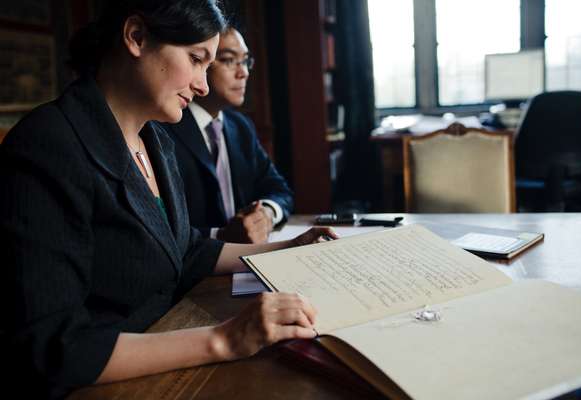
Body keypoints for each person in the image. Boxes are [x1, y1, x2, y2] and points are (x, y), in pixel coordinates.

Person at [0, 1, 335, 398]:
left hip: (167, 342)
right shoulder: (47, 144)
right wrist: (226, 339)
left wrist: (286, 249)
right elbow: (55, 346)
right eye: (196, 60)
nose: (203, 85)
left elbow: (184, 249)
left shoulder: (154, 138)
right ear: (137, 37)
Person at [162, 27, 292, 244]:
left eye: (246, 61)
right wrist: (220, 236)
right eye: (229, 60)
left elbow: (279, 189)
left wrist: (267, 214)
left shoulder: (241, 127)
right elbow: (162, 226)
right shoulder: (164, 128)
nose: (244, 73)